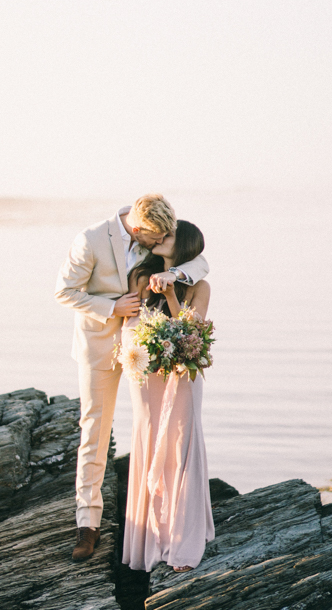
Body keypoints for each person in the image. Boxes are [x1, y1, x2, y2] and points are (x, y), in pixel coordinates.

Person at [55, 194, 209, 561]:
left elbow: (197, 257)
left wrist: (174, 273)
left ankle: (167, 518)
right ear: (138, 230)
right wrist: (110, 307)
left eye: (163, 239)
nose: (158, 245)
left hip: (148, 346)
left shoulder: (158, 226)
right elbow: (64, 291)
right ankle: (87, 524)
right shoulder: (90, 240)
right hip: (100, 345)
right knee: (94, 428)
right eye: (154, 240)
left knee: (158, 427)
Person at [122, 220, 215, 573]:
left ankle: (181, 538)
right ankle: (151, 536)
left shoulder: (201, 287)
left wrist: (172, 292)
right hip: (146, 374)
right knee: (147, 438)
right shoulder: (140, 277)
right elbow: (130, 323)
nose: (160, 237)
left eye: (170, 235)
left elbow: (191, 332)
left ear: (184, 246)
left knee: (181, 444)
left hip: (182, 375)